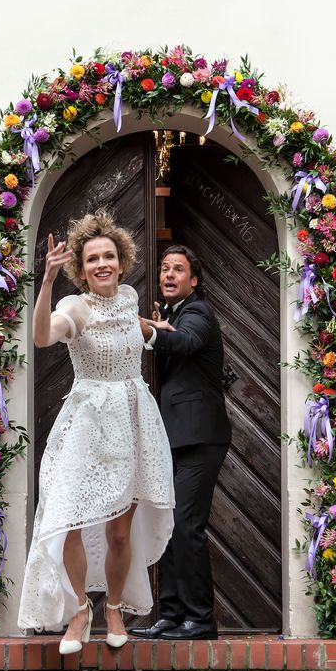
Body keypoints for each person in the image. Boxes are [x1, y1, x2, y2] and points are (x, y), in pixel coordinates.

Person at [17, 211, 174, 653]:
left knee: (120, 533)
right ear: (80, 269)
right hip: (86, 427)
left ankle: (115, 609)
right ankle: (80, 611)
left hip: (131, 424)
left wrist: (152, 327)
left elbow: (131, 325)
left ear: (121, 262)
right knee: (69, 521)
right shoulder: (73, 307)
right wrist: (46, 283)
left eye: (109, 256)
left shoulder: (127, 299)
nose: (101, 264)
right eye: (92, 259)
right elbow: (44, 336)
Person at [129, 245, 231, 641]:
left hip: (200, 438)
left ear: (194, 280)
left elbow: (184, 343)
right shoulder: (171, 315)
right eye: (165, 269)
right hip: (173, 438)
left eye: (178, 269)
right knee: (167, 527)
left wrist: (145, 327)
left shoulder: (197, 312)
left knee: (187, 527)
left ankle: (200, 620)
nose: (169, 274)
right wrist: (158, 326)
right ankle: (170, 616)